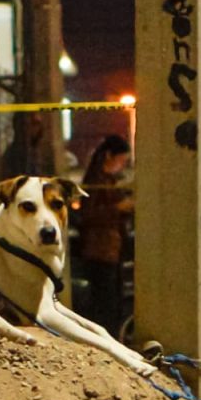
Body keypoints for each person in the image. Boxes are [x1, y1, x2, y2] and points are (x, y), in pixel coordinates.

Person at [78, 135, 133, 335]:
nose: (123, 165)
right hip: (100, 249)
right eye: (122, 160)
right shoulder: (96, 182)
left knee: (113, 301)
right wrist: (119, 208)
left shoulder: (108, 181)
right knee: (104, 301)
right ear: (110, 156)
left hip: (111, 249)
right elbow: (89, 214)